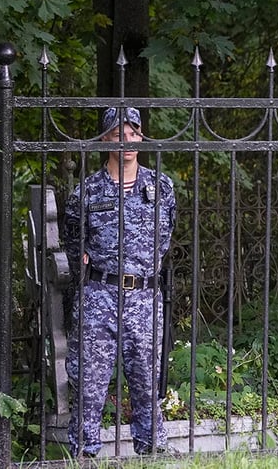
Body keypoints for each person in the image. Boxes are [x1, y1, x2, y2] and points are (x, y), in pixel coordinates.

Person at [63, 107, 176, 456]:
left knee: (147, 379)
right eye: (116, 135)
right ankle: (85, 453)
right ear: (105, 140)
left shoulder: (161, 187)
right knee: (89, 383)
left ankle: (152, 452)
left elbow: (166, 237)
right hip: (99, 294)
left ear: (141, 137)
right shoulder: (88, 191)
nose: (125, 141)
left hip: (144, 296)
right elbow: (73, 240)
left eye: (131, 133)